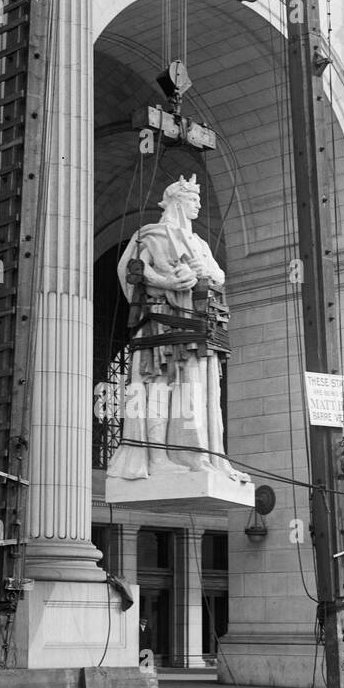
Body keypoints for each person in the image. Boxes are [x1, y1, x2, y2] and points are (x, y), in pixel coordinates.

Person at [106, 174, 248, 484]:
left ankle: (201, 456)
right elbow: (132, 271)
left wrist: (202, 272)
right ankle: (158, 457)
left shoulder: (198, 242)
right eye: (193, 200)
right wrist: (166, 281)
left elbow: (218, 275)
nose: (198, 205)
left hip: (198, 329)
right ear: (176, 201)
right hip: (160, 325)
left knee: (196, 395)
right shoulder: (150, 235)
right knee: (157, 390)